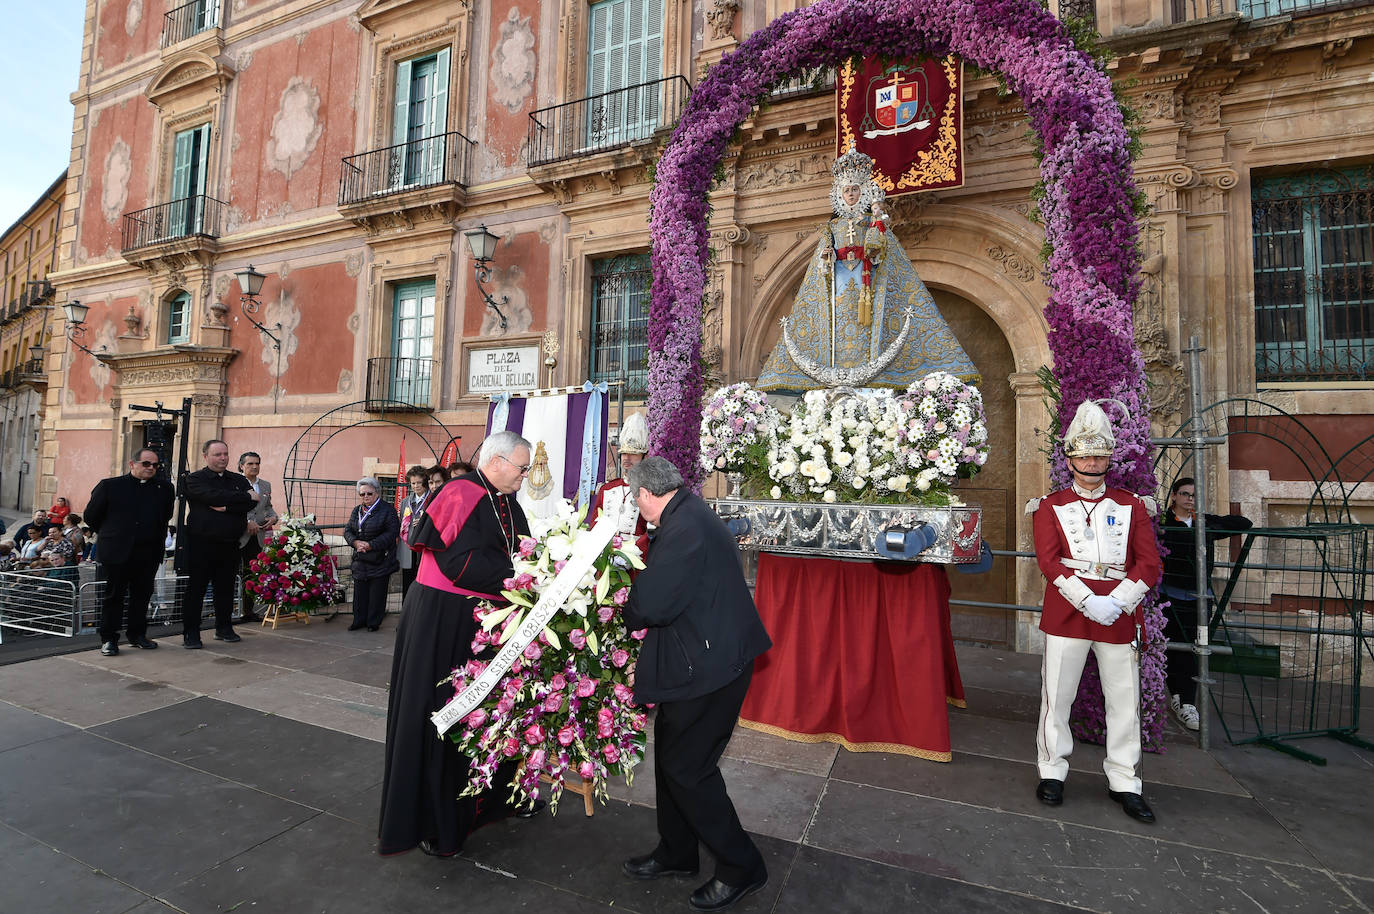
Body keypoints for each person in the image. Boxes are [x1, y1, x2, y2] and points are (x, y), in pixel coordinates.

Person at [619, 456, 773, 912]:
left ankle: (742, 866)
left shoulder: (684, 529)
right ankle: (677, 852)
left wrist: (620, 602)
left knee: (689, 769)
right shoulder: (687, 513)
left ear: (646, 494)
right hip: (701, 659)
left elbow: (651, 604)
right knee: (671, 759)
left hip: (709, 669)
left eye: (635, 498)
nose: (636, 506)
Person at [379, 430, 541, 857]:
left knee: (491, 713)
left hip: (487, 619)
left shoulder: (505, 498)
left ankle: (493, 802)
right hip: (444, 621)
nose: (525, 476)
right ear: (498, 461)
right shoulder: (460, 492)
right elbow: (460, 563)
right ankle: (438, 820)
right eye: (522, 467)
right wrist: (522, 577)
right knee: (447, 715)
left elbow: (521, 546)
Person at [1031, 400, 1162, 824]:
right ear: (1069, 459)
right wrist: (1088, 600)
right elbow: (1049, 561)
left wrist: (1117, 602)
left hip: (1119, 612)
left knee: (1124, 700)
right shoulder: (1049, 507)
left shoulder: (1132, 505)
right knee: (1057, 697)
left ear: (1110, 458)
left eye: (1099, 455)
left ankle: (1125, 780)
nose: (1092, 462)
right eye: (1084, 455)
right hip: (1069, 610)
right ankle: (1052, 770)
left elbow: (1149, 564)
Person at [755, 146, 976, 391]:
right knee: (839, 320)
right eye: (847, 190)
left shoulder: (873, 222)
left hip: (867, 282)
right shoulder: (832, 227)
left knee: (868, 322)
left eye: (855, 190)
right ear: (839, 194)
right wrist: (826, 259)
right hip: (839, 284)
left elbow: (881, 250)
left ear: (864, 192)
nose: (851, 194)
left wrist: (877, 227)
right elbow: (822, 263)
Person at [1160, 477, 1252, 732]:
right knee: (1168, 648)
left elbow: (1244, 523)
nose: (1190, 499)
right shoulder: (1163, 524)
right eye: (1185, 494)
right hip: (1168, 596)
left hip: (1199, 598)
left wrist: (1206, 521)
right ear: (1174, 496)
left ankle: (1186, 701)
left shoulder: (1204, 523)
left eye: (1194, 495)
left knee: (1193, 649)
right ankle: (1174, 696)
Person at [85, 447, 177, 656]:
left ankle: (137, 635)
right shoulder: (109, 486)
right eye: (146, 464)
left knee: (142, 596)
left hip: (148, 552)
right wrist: (114, 533)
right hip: (117, 551)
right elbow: (91, 516)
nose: (151, 468)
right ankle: (109, 639)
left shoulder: (165, 488)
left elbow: (165, 516)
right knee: (113, 597)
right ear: (132, 464)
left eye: (155, 465)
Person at [182, 439, 258, 648]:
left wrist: (226, 506)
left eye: (225, 454)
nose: (223, 458)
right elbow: (209, 496)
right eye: (217, 454)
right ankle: (191, 633)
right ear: (205, 456)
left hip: (230, 543)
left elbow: (250, 502)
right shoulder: (195, 479)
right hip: (201, 543)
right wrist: (239, 498)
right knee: (195, 590)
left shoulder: (238, 479)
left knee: (225, 589)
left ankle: (224, 628)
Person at [344, 477, 400, 632]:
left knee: (377, 593)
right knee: (360, 593)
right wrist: (355, 542)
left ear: (377, 493)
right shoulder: (357, 510)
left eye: (369, 493)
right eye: (362, 494)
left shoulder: (388, 510)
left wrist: (371, 545)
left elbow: (391, 532)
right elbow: (348, 530)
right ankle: (358, 620)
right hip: (361, 558)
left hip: (380, 558)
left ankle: (373, 622)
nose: (365, 497)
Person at [590, 412, 650, 550]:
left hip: (636, 559)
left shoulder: (652, 490)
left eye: (633, 454)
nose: (627, 458)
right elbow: (594, 526)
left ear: (644, 457)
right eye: (623, 453)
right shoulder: (607, 489)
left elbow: (652, 533)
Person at [237, 451, 279, 623]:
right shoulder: (236, 483)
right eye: (250, 464)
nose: (254, 467)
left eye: (257, 464)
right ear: (241, 466)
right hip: (238, 535)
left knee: (251, 573)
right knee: (233, 573)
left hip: (258, 537)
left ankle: (248, 611)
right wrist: (246, 521)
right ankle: (230, 611)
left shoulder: (266, 485)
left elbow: (268, 507)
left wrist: (273, 517)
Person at [397, 465, 430, 598]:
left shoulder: (432, 499)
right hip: (408, 547)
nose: (416, 486)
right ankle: (406, 613)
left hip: (425, 547)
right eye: (413, 483)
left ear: (425, 482)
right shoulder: (406, 501)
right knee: (408, 583)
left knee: (423, 583)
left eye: (419, 482)